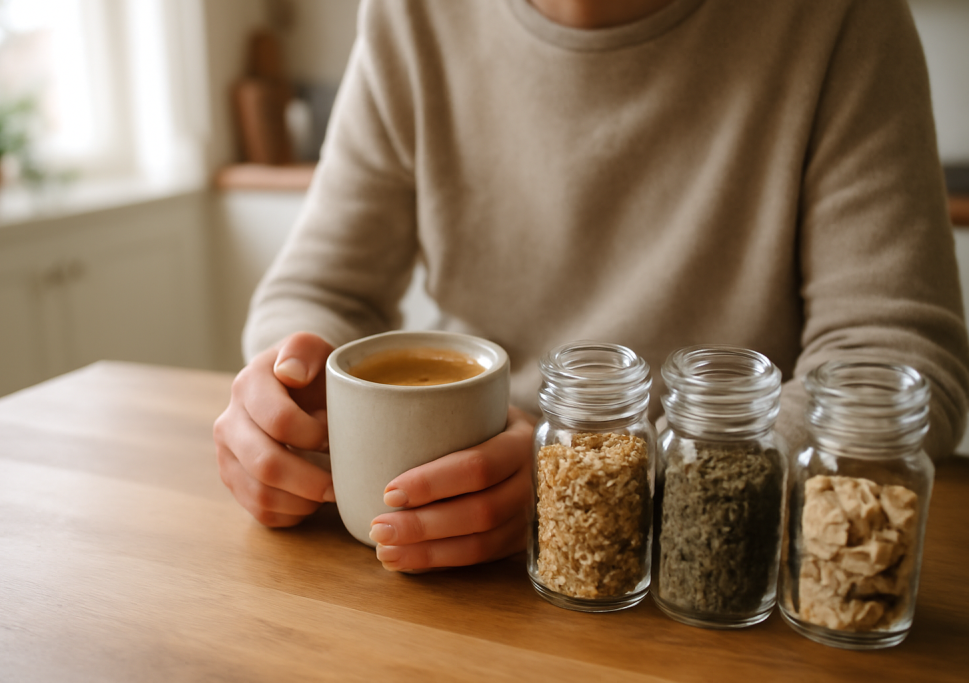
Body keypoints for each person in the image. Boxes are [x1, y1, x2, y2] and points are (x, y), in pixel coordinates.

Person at [213, 0, 969, 573]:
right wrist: (289, 402)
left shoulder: (841, 20)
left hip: (710, 566)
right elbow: (315, 292)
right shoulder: (413, 16)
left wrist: (595, 485)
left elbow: (902, 361)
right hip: (452, 567)